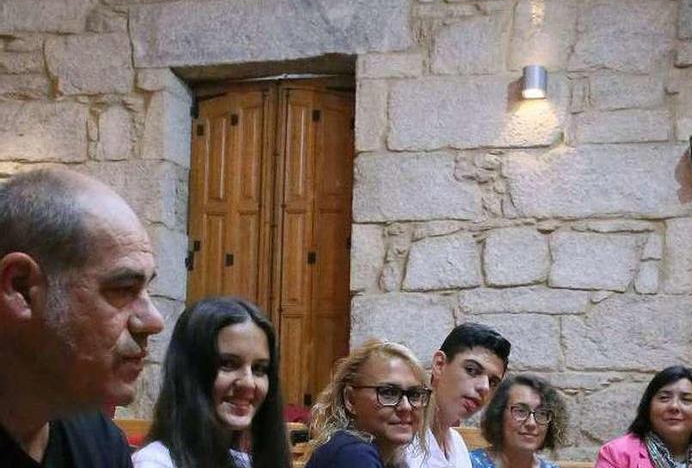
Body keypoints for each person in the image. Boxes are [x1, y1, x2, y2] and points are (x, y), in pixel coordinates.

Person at [0, 168, 165, 467]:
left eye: (146, 289)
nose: (153, 321)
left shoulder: (102, 444)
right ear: (21, 288)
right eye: (123, 289)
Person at [133, 296, 290, 468]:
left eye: (259, 369)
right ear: (190, 372)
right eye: (228, 364)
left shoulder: (245, 463)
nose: (249, 383)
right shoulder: (155, 462)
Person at [304, 339, 432, 467]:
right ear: (350, 400)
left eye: (415, 394)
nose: (406, 406)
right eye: (388, 393)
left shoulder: (387, 458)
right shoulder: (352, 454)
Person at [405, 322, 512, 468]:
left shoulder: (458, 446)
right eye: (471, 370)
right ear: (439, 364)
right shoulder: (401, 438)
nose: (484, 387)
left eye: (493, 382)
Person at [596, 365, 692, 468]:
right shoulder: (616, 454)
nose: (674, 407)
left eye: (686, 399)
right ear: (648, 407)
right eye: (664, 398)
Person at [470, 374, 568, 468]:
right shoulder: (467, 463)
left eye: (542, 413)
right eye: (521, 411)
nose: (531, 423)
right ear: (498, 415)